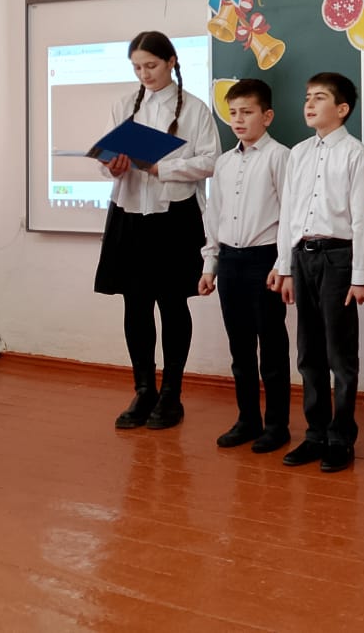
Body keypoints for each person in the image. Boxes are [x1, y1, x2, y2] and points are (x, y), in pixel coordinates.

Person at [95, 31, 220, 431]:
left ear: (171, 62)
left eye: (150, 65)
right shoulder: (123, 105)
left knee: (172, 304)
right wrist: (112, 166)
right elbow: (107, 159)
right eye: (137, 68)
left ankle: (171, 394)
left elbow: (211, 161)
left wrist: (161, 167)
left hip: (175, 216)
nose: (144, 74)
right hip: (130, 212)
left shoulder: (195, 109)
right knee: (135, 305)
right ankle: (143, 390)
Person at [276, 72, 364, 473]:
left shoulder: (355, 153)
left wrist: (362, 275)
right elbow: (288, 213)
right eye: (307, 97)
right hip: (303, 257)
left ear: (342, 108)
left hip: (338, 258)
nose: (309, 104)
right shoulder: (298, 153)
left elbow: (363, 218)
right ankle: (315, 433)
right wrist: (284, 267)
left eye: (319, 98)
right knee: (308, 352)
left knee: (340, 353)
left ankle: (341, 437)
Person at [198, 79, 292, 454]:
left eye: (247, 112)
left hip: (264, 260)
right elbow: (214, 215)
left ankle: (277, 425)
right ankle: (247, 419)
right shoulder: (223, 162)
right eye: (233, 113)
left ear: (266, 116)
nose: (238, 119)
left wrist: (283, 264)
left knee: (271, 347)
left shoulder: (280, 157)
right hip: (230, 262)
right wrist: (210, 265)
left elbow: (290, 216)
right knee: (240, 348)